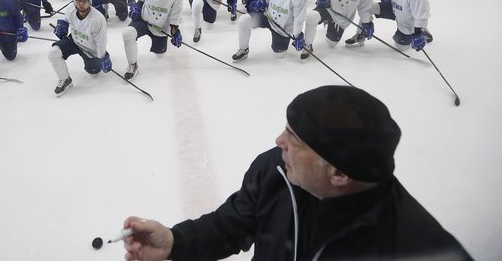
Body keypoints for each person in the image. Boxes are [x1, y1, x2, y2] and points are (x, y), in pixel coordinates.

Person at [121, 85, 474, 261]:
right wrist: (175, 242)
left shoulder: (420, 250)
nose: (279, 141)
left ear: (337, 174)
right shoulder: (276, 169)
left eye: (295, 139)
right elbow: (230, 224)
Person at [232, 0, 309, 62]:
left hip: (282, 28)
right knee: (244, 20)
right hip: (268, 17)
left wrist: (297, 35)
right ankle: (243, 49)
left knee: (279, 55)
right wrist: (263, 2)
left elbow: (299, 17)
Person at [122, 0, 184, 80]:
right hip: (144, 21)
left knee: (160, 55)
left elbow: (175, 14)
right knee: (127, 33)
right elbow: (141, 1)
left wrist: (175, 30)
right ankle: (132, 65)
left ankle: (159, 46)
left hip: (160, 28)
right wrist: (137, 8)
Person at [48, 0, 111, 95]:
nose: (81, 4)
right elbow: (65, 18)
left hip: (90, 49)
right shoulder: (71, 9)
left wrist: (103, 57)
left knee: (94, 72)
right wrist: (61, 25)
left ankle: (102, 58)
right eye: (78, 0)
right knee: (53, 53)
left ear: (89, 1)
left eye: (84, 1)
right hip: (73, 40)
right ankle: (65, 79)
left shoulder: (98, 19)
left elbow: (101, 42)